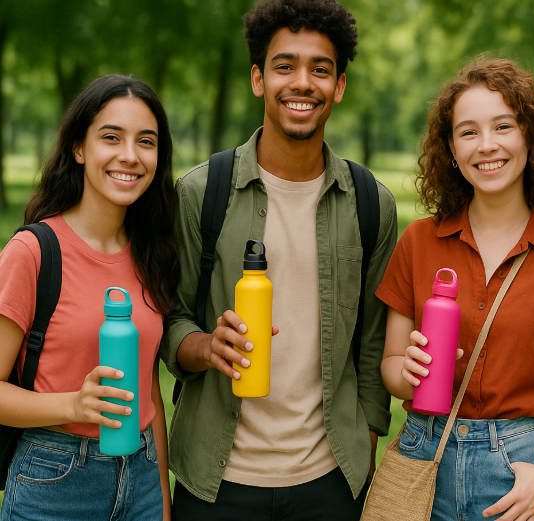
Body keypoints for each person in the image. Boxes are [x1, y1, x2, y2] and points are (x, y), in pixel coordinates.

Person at [161, 0, 397, 519]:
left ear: (338, 87)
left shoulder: (371, 203)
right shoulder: (202, 192)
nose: (302, 83)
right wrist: (204, 346)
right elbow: (168, 320)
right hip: (214, 481)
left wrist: (366, 452)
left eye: (320, 69)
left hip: (330, 480)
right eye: (284, 65)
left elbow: (374, 342)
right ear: (257, 79)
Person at [377, 58, 534, 521]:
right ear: (450, 148)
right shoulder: (418, 242)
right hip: (426, 453)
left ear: (530, 135)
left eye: (503, 126)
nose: (487, 146)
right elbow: (390, 367)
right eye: (468, 132)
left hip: (520, 467)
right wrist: (410, 371)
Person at [0, 74, 177, 521]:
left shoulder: (151, 253)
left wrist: (160, 502)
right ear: (79, 148)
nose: (130, 156)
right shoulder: (33, 252)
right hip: (54, 481)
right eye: (111, 137)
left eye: (146, 141)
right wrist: (73, 404)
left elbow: (148, 387)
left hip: (141, 478)